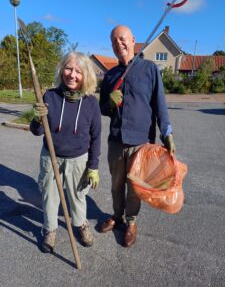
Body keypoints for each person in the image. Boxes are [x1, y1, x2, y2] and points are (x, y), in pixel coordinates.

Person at [99, 25, 175, 247]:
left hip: (141, 141)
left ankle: (131, 222)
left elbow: (160, 105)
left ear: (133, 40)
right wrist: (109, 103)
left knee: (134, 188)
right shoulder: (111, 75)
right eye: (113, 41)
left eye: (122, 39)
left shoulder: (149, 69)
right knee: (116, 185)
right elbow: (103, 108)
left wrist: (167, 132)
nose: (118, 44)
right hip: (116, 141)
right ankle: (117, 216)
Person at [30, 51, 101, 252]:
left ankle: (80, 224)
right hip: (50, 157)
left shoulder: (91, 103)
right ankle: (50, 229)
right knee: (49, 195)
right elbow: (36, 131)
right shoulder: (50, 96)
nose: (72, 74)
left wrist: (93, 167)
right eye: (68, 69)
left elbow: (95, 138)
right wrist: (37, 118)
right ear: (62, 71)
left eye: (78, 71)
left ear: (85, 75)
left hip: (78, 159)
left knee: (78, 196)